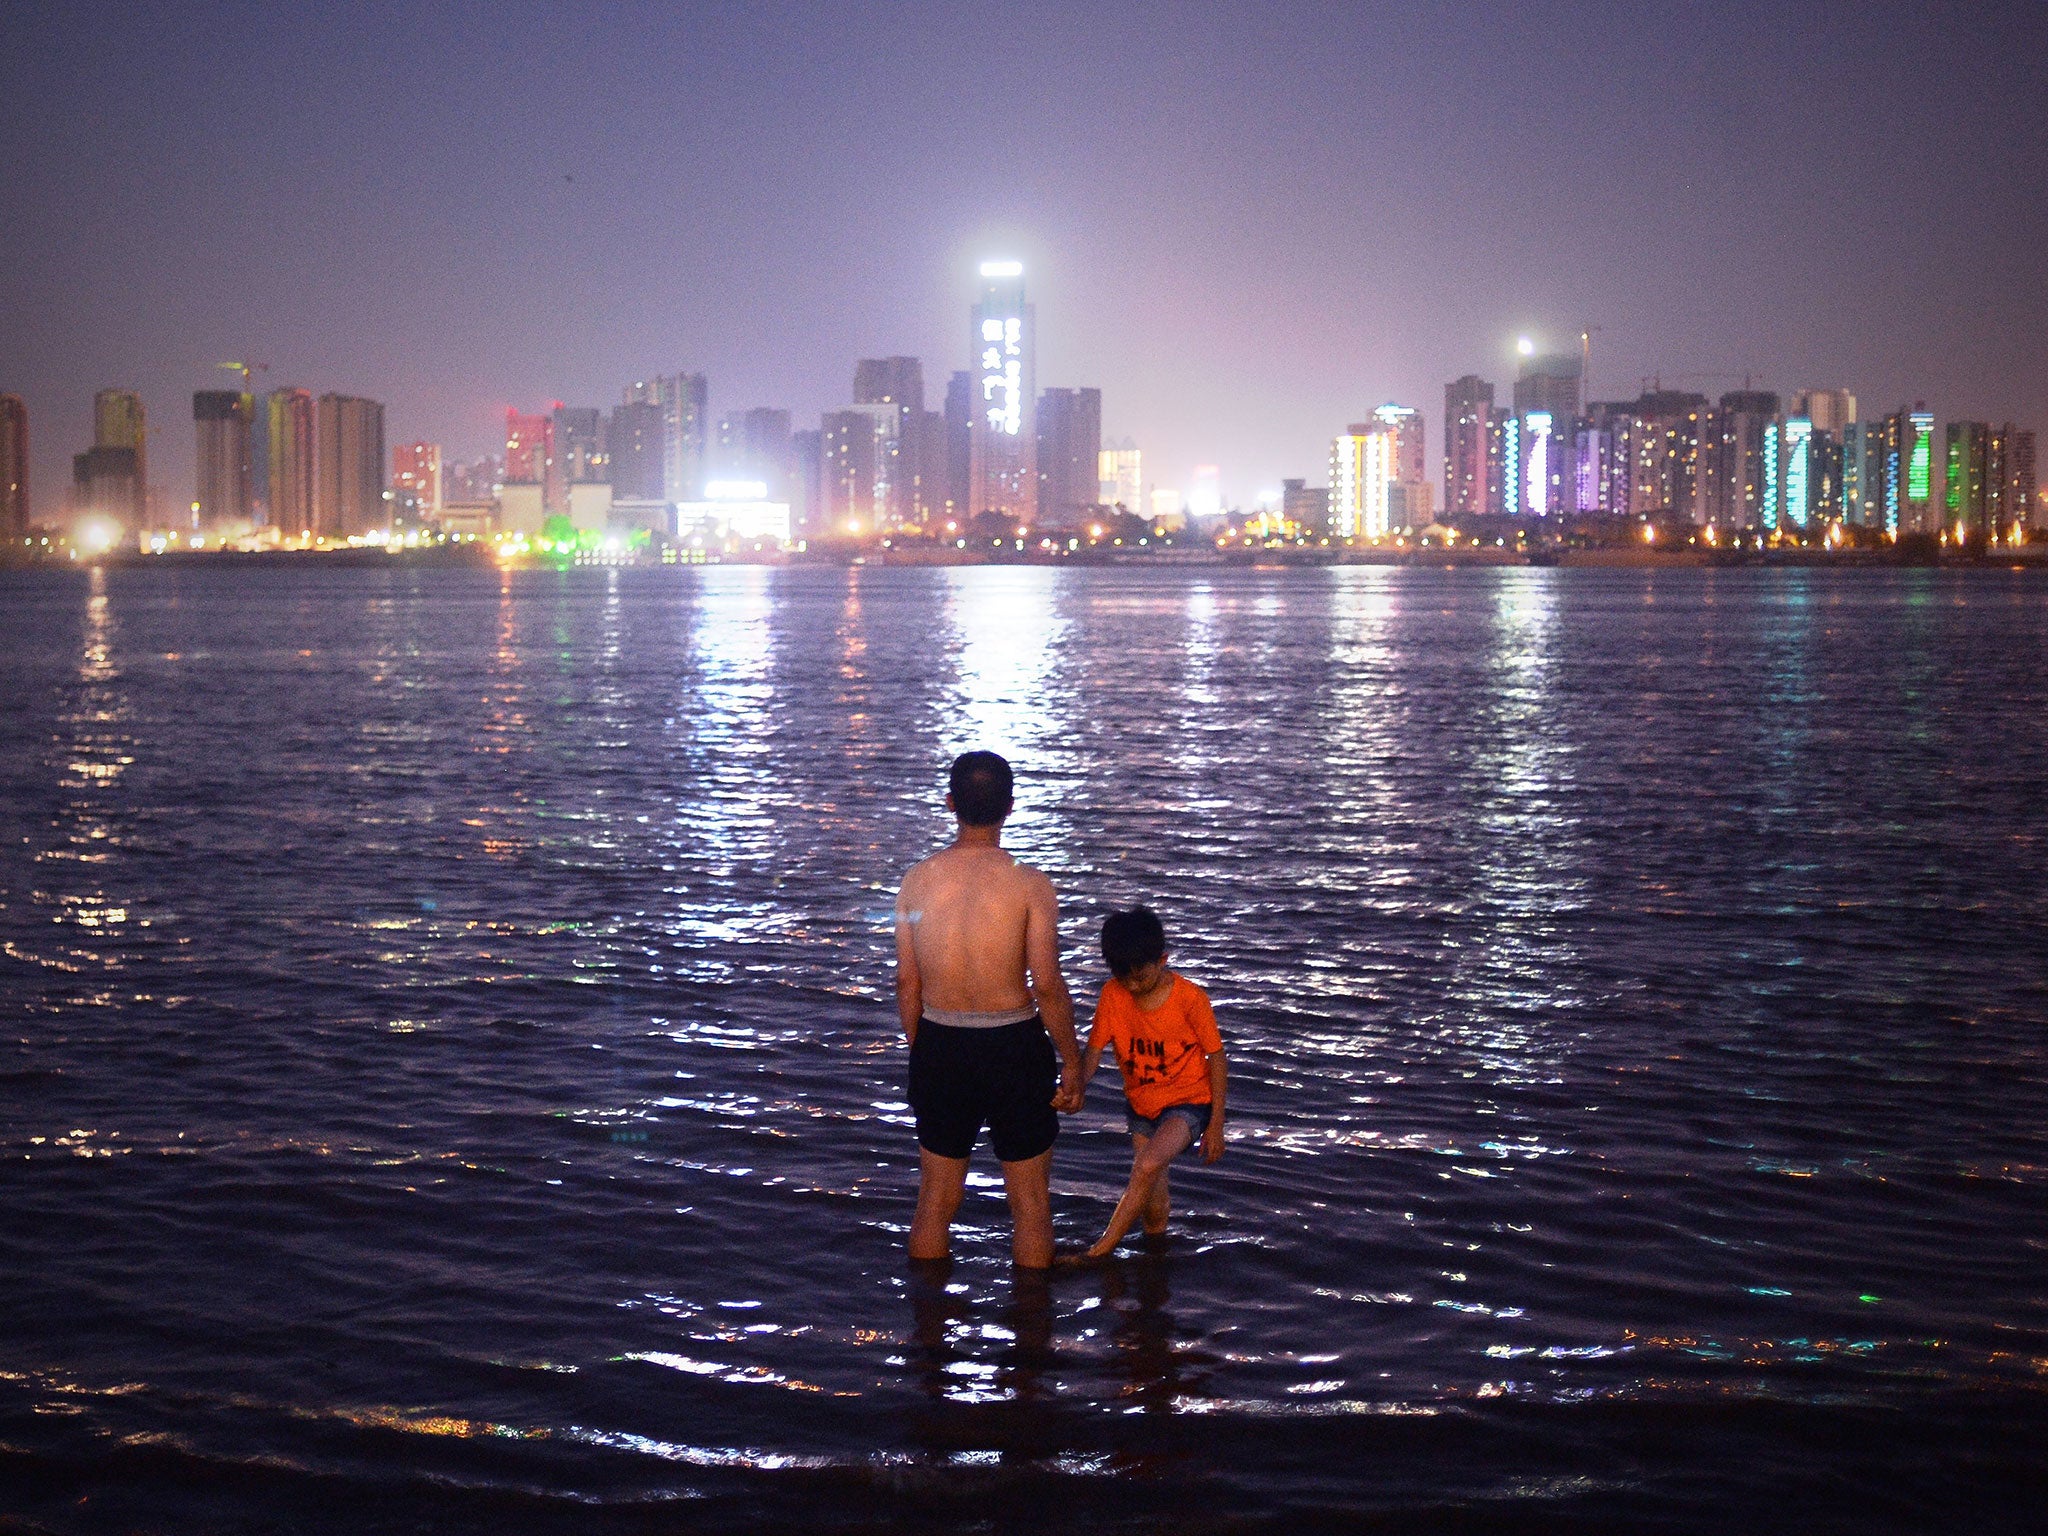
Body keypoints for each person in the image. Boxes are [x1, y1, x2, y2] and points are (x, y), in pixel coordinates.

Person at [894, 751, 1083, 1270]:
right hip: (1014, 1046)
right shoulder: (1031, 884)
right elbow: (1046, 985)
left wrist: (925, 1048)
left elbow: (907, 981)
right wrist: (1071, 1061)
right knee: (1030, 1206)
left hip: (940, 1041)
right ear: (1012, 806)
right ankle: (1033, 1339)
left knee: (935, 1201)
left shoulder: (917, 881)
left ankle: (926, 1335)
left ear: (950, 803)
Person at [1075, 905, 1226, 1259]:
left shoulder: (1190, 999)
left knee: (1145, 1166)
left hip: (1189, 1102)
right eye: (1124, 977)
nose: (1133, 986)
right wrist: (1077, 1085)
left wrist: (1216, 1123)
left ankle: (1099, 1252)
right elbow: (1093, 1052)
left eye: (1140, 977)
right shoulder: (1113, 996)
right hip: (1141, 1105)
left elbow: (1216, 1058)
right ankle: (1155, 1267)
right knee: (1153, 1204)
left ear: (1162, 959)